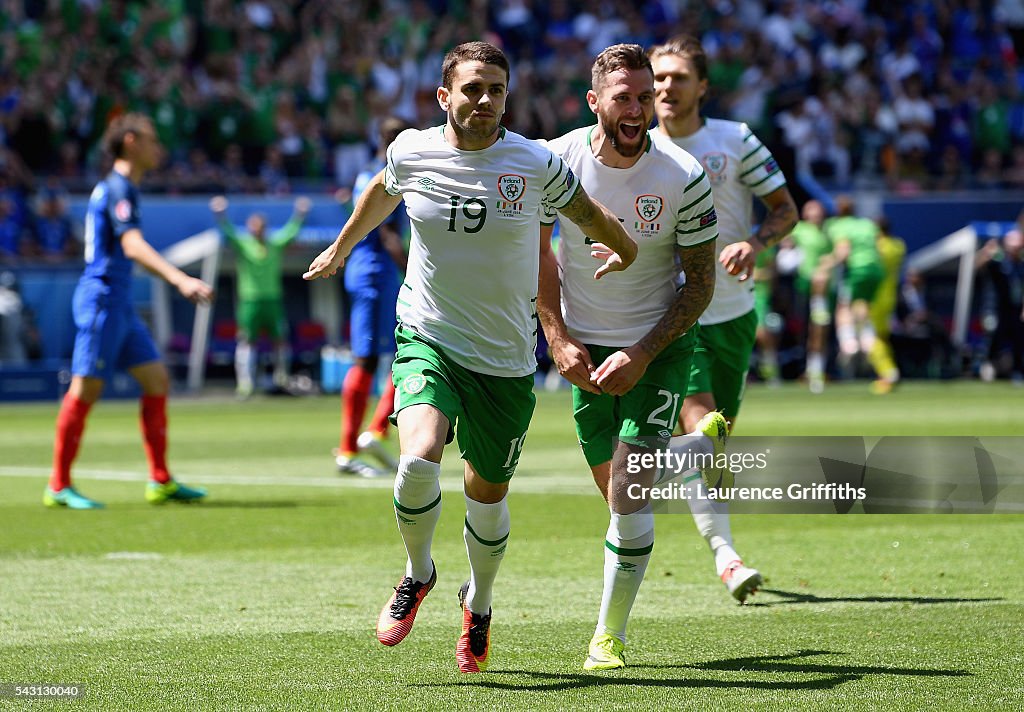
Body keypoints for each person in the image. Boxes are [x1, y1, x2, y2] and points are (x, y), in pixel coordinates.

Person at [303, 41, 636, 674]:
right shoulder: (412, 149)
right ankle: (418, 573)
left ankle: (478, 604)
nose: (485, 101)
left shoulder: (534, 163)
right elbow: (380, 191)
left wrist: (624, 248)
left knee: (486, 495)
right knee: (417, 459)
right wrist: (344, 247)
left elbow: (587, 212)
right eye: (473, 88)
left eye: (497, 91)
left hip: (506, 360)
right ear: (444, 96)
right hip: (428, 335)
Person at [537, 43, 719, 672]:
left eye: (646, 96)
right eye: (625, 97)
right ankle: (690, 455)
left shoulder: (683, 175)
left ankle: (606, 638)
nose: (639, 108)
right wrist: (557, 338)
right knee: (613, 491)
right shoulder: (556, 161)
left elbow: (699, 285)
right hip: (585, 350)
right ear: (595, 103)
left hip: (659, 349)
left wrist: (642, 352)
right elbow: (539, 256)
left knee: (628, 489)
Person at [649, 36, 798, 602]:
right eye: (658, 77)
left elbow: (787, 210)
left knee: (715, 443)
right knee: (702, 428)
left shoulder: (735, 141)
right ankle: (727, 557)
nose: (666, 87)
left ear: (702, 86)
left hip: (733, 314)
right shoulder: (638, 150)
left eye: (678, 77)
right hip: (671, 314)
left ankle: (655, 465)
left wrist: (754, 243)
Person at [45, 113, 213, 510]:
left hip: (118, 302)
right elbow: (133, 246)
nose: (160, 150)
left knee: (156, 381)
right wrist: (179, 279)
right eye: (153, 141)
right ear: (132, 141)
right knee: (86, 389)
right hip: (102, 299)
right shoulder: (118, 188)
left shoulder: (124, 188)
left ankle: (160, 480)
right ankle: (58, 485)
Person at [334, 117, 411, 478]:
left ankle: (370, 434)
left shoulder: (366, 173)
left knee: (390, 354)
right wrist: (415, 271)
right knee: (380, 356)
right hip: (376, 274)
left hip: (364, 273)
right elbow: (389, 235)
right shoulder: (391, 175)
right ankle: (355, 444)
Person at [209, 194, 311, 398]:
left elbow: (290, 232)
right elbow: (228, 232)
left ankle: (281, 379)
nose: (256, 230)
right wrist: (220, 215)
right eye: (253, 226)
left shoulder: (274, 244)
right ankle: (245, 384)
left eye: (260, 226)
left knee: (280, 341)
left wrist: (300, 215)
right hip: (250, 301)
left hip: (272, 300)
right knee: (247, 342)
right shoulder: (244, 244)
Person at [822, 195, 884, 380]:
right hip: (876, 269)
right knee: (863, 305)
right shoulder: (867, 224)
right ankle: (868, 342)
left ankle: (849, 344)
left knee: (843, 306)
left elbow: (843, 251)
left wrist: (826, 264)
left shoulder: (838, 226)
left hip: (856, 270)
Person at [784, 199, 834, 393]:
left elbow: (836, 254)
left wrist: (826, 265)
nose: (816, 214)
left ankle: (817, 371)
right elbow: (785, 244)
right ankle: (807, 370)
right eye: (811, 210)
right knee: (804, 331)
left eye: (818, 210)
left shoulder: (829, 231)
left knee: (819, 330)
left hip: (823, 288)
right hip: (802, 286)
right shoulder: (800, 229)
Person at [975, 227, 1024, 381]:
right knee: (993, 338)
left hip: (1015, 309)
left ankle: (1018, 371)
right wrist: (986, 253)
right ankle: (986, 366)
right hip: (996, 309)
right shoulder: (998, 261)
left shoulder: (1021, 265)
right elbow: (979, 266)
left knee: (1019, 340)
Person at [866, 216, 906, 394]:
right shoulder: (898, 246)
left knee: (871, 338)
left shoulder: (876, 248)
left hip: (875, 297)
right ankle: (887, 374)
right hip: (890, 296)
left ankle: (888, 372)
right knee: (882, 336)